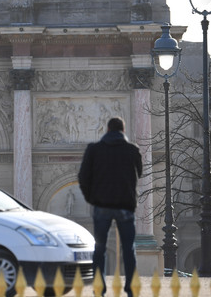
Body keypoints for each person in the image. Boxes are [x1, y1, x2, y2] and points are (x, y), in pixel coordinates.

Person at [78, 117, 142, 297]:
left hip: (102, 205)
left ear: (107, 130)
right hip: (125, 205)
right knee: (129, 249)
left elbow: (83, 177)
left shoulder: (94, 149)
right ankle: (130, 289)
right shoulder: (132, 149)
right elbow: (141, 172)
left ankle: (99, 289)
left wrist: (91, 198)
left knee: (100, 249)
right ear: (123, 131)